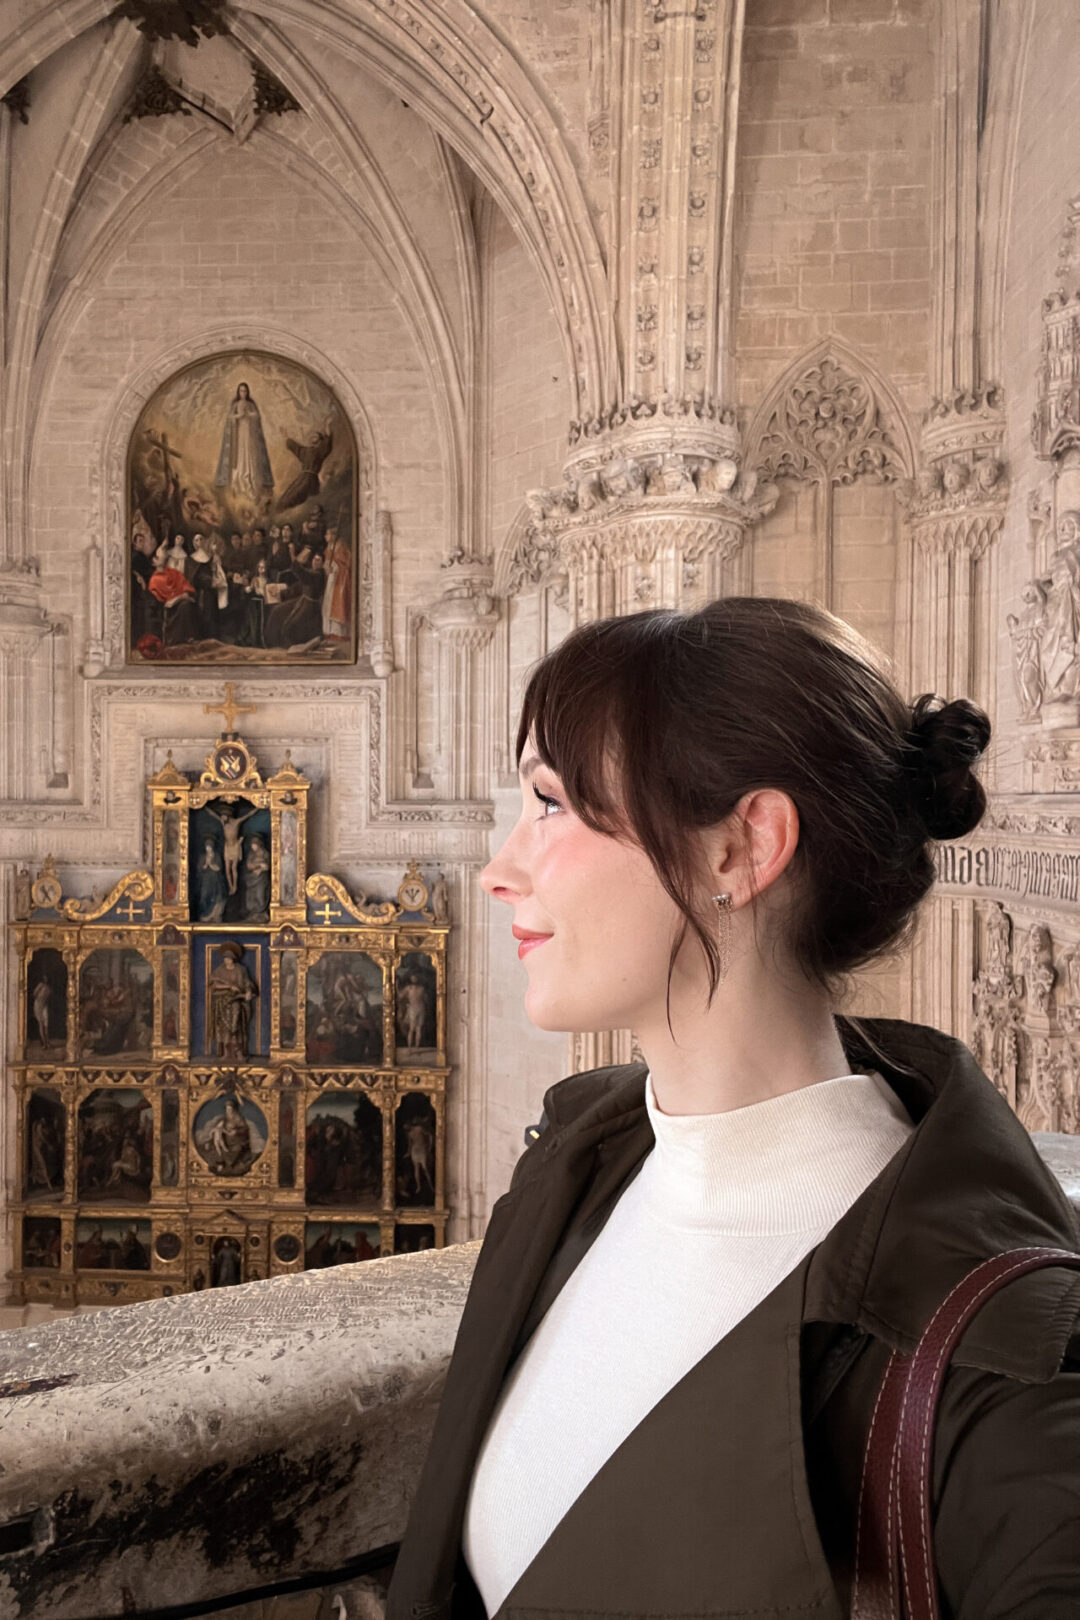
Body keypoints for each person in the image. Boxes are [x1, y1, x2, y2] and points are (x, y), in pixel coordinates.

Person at [387, 596, 1080, 1620]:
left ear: (740, 849)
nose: (499, 871)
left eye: (551, 804)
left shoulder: (1008, 1371)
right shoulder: (579, 1156)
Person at [215, 381, 274, 508]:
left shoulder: (251, 404)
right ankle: (239, 486)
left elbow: (257, 416)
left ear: (248, 392)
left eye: (245, 391)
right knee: (240, 460)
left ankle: (251, 486)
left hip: (250, 437)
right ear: (238, 392)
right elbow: (230, 418)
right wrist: (238, 416)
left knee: (251, 460)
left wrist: (249, 414)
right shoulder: (235, 405)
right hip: (238, 437)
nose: (243, 393)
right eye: (241, 391)